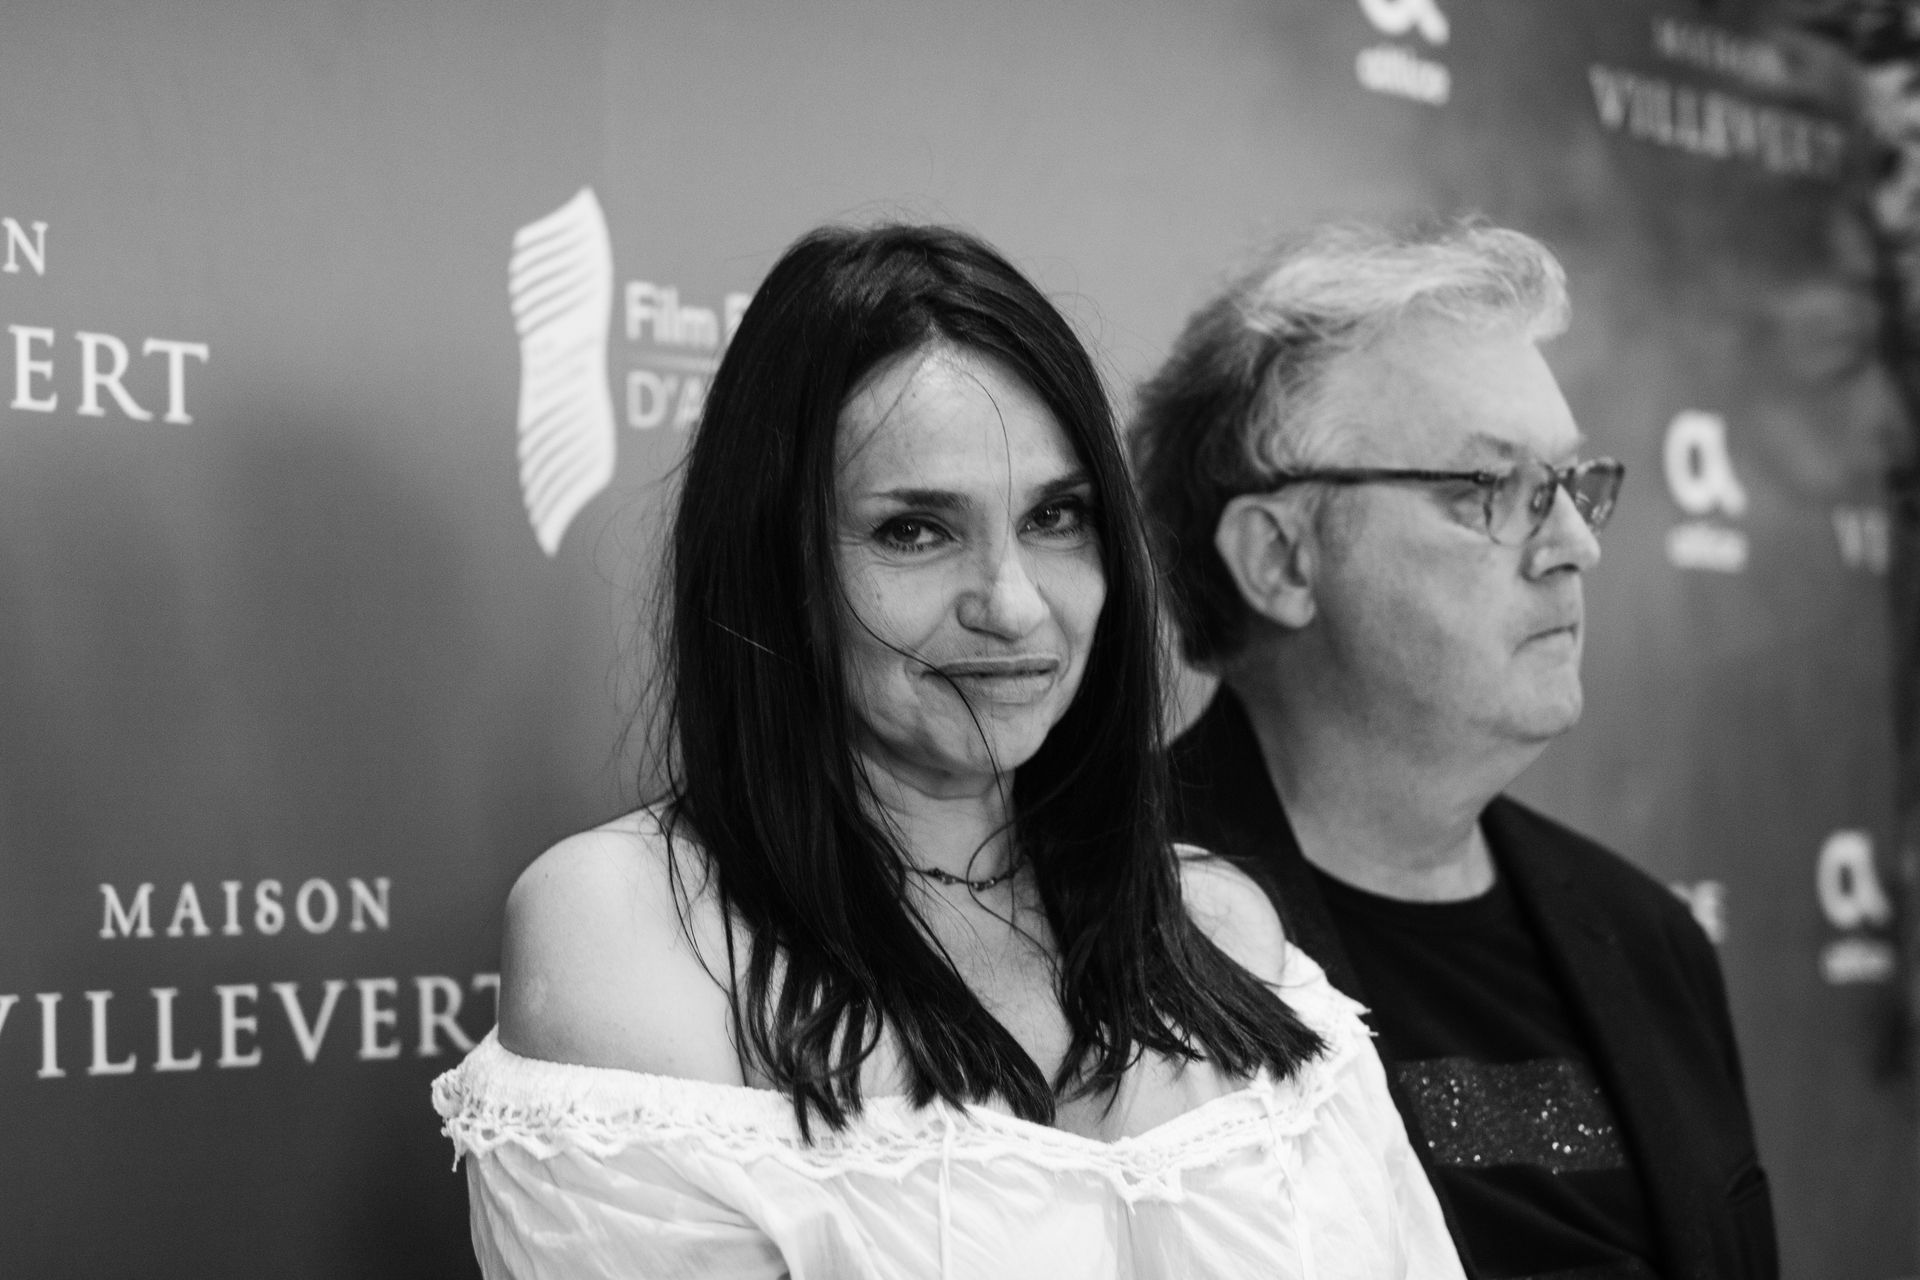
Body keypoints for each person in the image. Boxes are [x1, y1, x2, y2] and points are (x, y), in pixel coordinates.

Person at [432, 223, 1466, 1279]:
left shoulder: (1219, 926)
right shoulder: (630, 933)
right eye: (915, 530)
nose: (1013, 605)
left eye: (1056, 517)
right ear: (775, 567)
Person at [1131, 220, 1778, 1280]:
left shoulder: (1650, 938)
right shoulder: (1102, 924)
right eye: (1487, 487)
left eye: (1568, 483)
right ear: (1281, 558)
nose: (1576, 545)